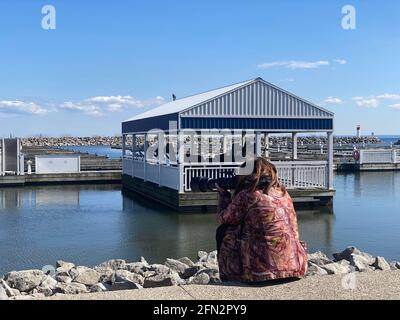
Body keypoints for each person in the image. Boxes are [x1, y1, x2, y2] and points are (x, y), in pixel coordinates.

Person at [216, 157, 308, 283]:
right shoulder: (283, 193)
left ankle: (231, 276)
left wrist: (224, 197)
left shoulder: (248, 195)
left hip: (261, 272)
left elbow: (223, 219)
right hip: (296, 266)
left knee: (224, 230)